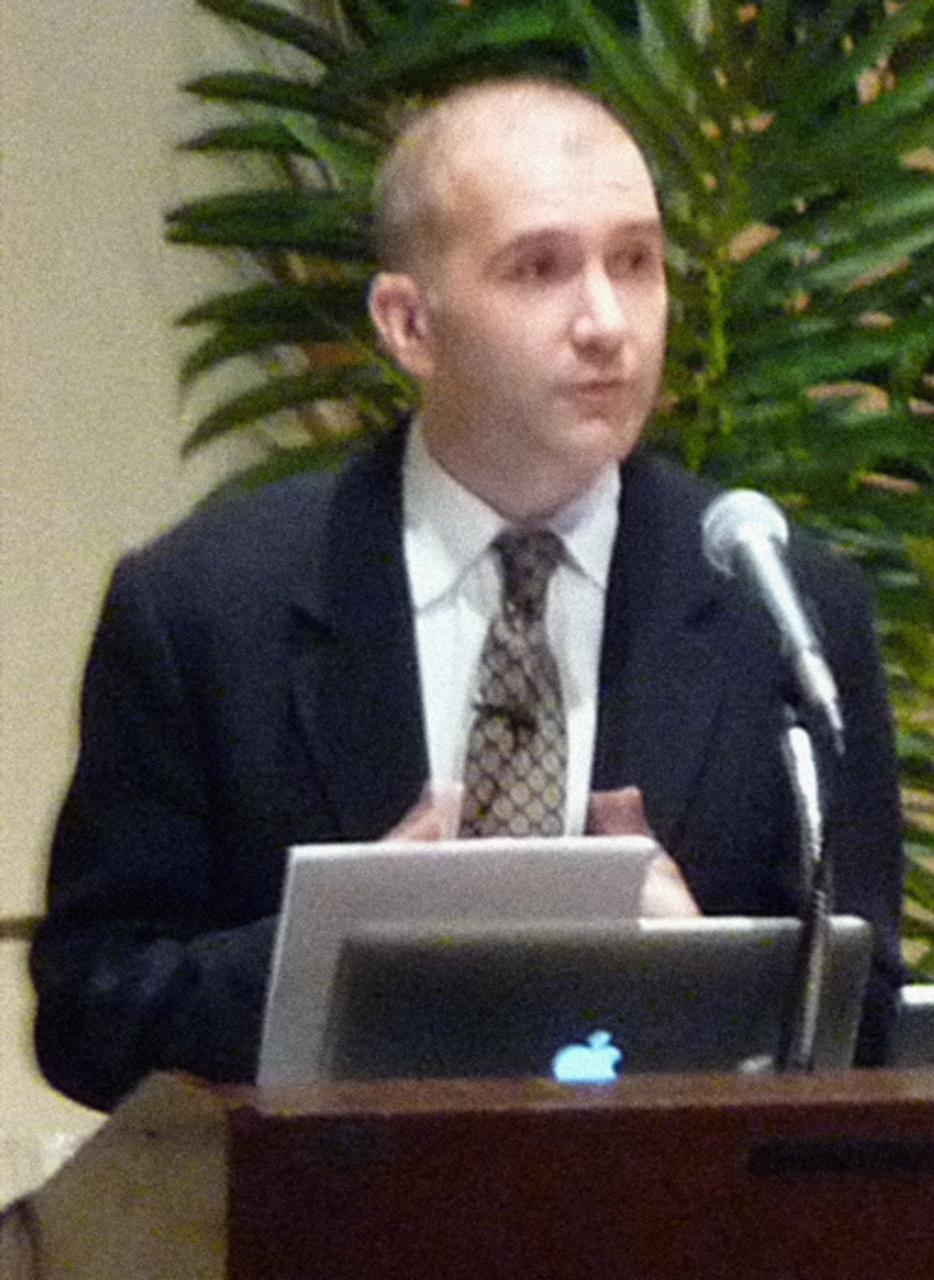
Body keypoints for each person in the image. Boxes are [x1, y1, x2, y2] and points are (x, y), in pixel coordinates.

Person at [31, 77, 905, 1112]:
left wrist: (709, 978)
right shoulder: (204, 608)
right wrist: (332, 951)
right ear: (408, 324)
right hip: (331, 1203)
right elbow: (90, 1011)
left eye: (635, 262)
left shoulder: (782, 605)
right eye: (539, 269)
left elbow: (867, 1016)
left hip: (667, 1200)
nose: (606, 322)